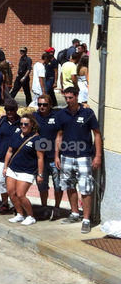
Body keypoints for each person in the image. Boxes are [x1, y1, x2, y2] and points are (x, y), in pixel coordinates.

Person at [55, 86, 103, 234]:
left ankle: (86, 219)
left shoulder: (88, 113)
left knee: (86, 187)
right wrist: (57, 155)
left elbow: (96, 134)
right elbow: (59, 136)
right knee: (69, 185)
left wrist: (98, 155)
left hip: (84, 156)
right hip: (66, 156)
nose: (68, 100)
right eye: (66, 98)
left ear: (77, 96)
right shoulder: (62, 114)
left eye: (71, 97)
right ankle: (75, 213)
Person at [1, 116, 44, 226]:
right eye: (21, 124)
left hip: (27, 171)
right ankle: (20, 214)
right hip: (13, 168)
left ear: (32, 125)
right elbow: (10, 151)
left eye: (26, 124)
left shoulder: (38, 139)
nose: (23, 126)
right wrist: (5, 167)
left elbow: (40, 158)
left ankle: (30, 216)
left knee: (21, 194)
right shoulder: (16, 134)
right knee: (11, 192)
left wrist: (40, 174)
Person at [0, 100, 22, 215]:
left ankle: (17, 206)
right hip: (1, 157)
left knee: (15, 183)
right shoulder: (0, 121)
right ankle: (5, 203)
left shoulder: (22, 122)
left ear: (16, 109)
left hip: (17, 158)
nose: (9, 112)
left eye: (11, 109)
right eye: (7, 109)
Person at [33, 95, 64, 220]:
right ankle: (44, 207)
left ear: (50, 105)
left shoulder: (57, 116)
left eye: (44, 105)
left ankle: (57, 208)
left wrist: (57, 156)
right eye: (39, 104)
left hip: (54, 158)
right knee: (42, 185)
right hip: (40, 159)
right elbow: (21, 121)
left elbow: (59, 135)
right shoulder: (34, 117)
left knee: (58, 185)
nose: (42, 107)